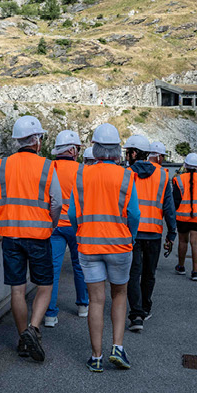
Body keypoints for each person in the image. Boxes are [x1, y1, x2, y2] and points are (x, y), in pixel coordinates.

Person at [0, 115, 63, 362]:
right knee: (45, 284)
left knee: (17, 289)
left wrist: (7, 219)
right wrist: (50, 224)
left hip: (10, 236)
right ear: (37, 140)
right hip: (39, 235)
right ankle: (34, 328)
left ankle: (23, 338)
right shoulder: (46, 166)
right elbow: (57, 203)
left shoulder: (3, 165)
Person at [69, 124, 138, 372]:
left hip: (88, 245)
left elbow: (73, 214)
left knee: (96, 301)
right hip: (119, 245)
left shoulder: (81, 175)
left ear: (95, 148)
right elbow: (134, 214)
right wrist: (131, 237)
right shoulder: (127, 176)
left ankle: (96, 356)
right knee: (119, 295)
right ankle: (117, 348)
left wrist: (82, 230)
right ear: (118, 150)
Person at [123, 134, 176, 332]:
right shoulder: (163, 175)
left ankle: (136, 315)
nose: (127, 156)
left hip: (132, 233)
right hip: (154, 233)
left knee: (133, 273)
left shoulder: (126, 174)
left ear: (134, 153)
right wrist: (172, 233)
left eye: (128, 152)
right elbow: (169, 208)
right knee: (149, 274)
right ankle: (145, 307)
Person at [43, 129, 89, 327]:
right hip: (76, 225)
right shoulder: (82, 170)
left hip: (54, 225)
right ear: (72, 150)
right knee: (79, 266)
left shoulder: (49, 168)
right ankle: (82, 306)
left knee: (53, 269)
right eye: (77, 148)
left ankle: (50, 314)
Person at [172, 152, 197, 281]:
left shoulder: (178, 179)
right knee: (196, 243)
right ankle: (195, 272)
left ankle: (181, 266)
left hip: (182, 217)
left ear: (185, 165)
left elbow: (176, 199)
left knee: (183, 241)